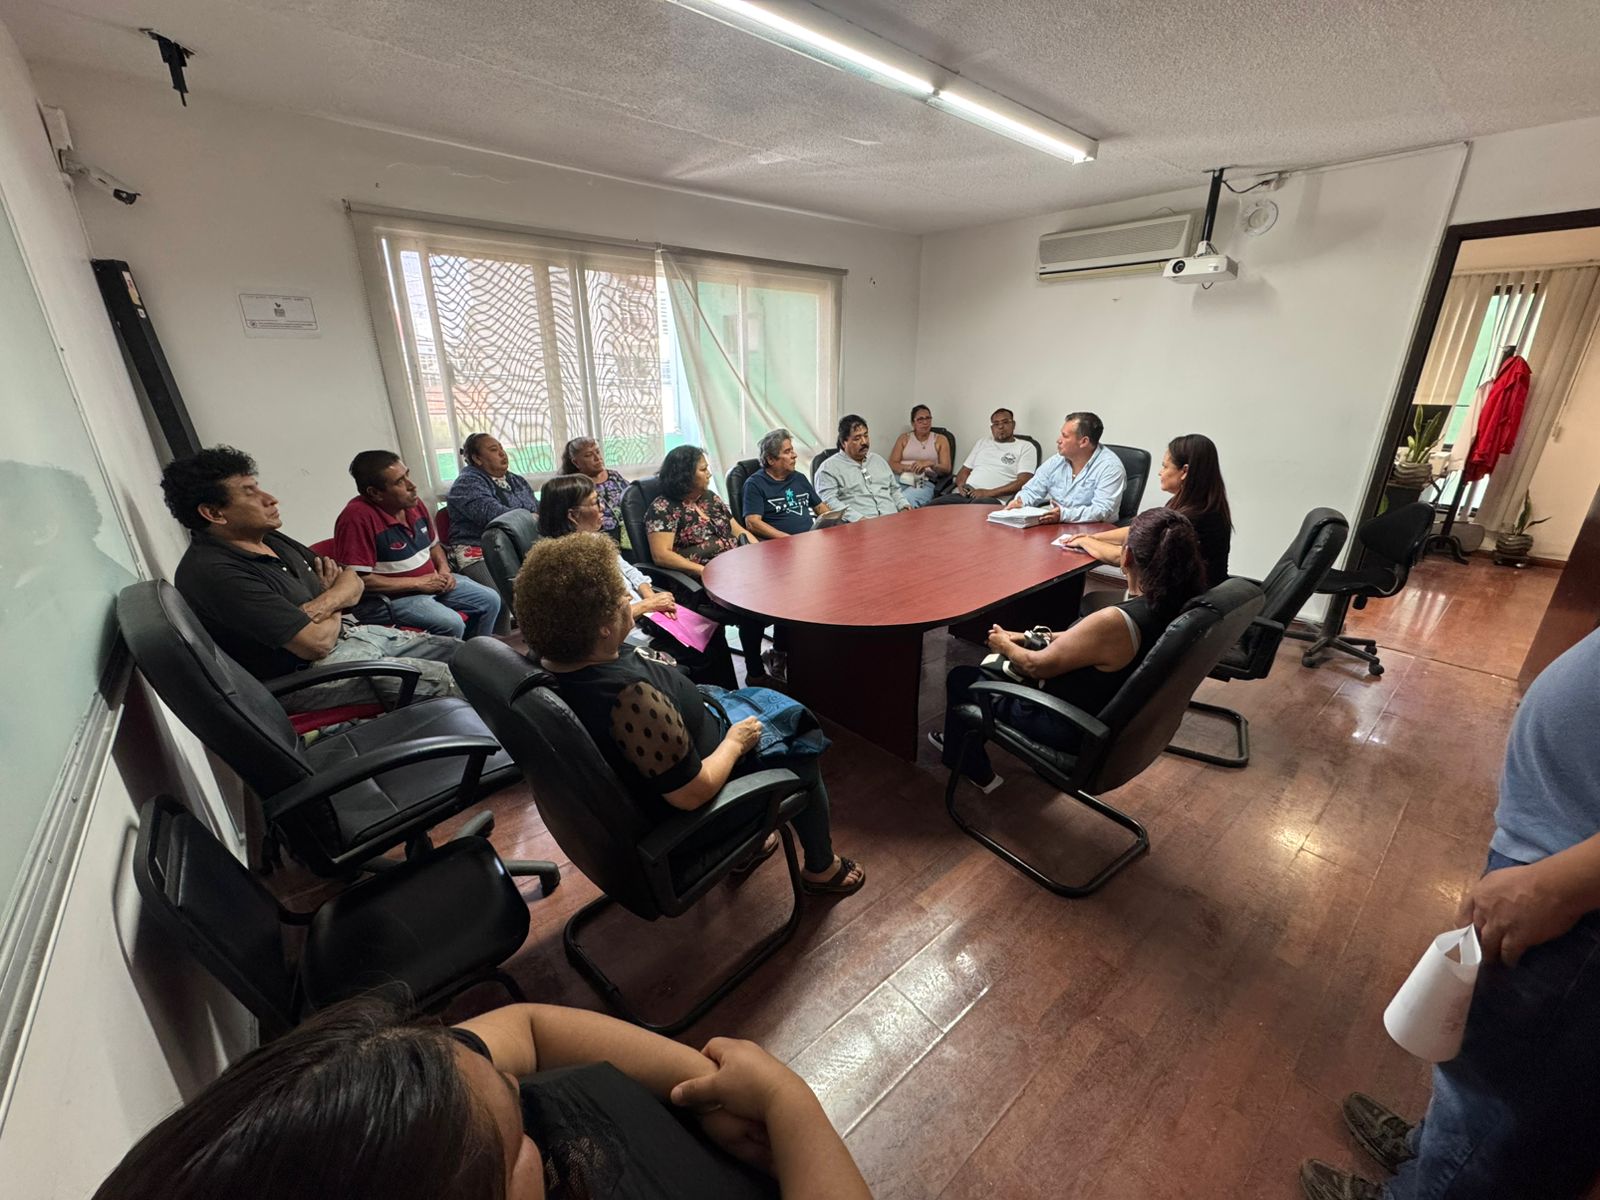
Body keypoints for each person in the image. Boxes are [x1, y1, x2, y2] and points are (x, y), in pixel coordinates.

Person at [1299, 627, 1600, 1200]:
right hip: (1559, 861)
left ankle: (1439, 1181)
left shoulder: (1563, 895)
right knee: (1488, 1051)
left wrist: (1559, 888)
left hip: (1575, 902)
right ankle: (1439, 1153)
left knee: (1509, 1093)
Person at [90, 992, 873, 1200]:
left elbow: (528, 1027)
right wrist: (787, 1101)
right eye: (517, 1138)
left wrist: (703, 1089)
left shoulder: (406, 1105)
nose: (520, 1094)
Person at [516, 532, 865, 895]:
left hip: (689, 735)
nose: (628, 600)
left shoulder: (558, 654)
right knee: (803, 747)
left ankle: (747, 849)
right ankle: (821, 869)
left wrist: (641, 613)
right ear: (602, 627)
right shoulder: (630, 701)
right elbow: (691, 794)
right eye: (622, 598)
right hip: (701, 803)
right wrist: (735, 743)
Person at [161, 446, 462, 711]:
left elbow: (352, 580)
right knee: (460, 681)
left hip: (352, 637)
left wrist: (323, 603)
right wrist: (335, 597)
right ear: (214, 513)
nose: (271, 499)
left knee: (466, 655)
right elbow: (315, 644)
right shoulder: (215, 573)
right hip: (313, 674)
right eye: (250, 493)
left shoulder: (268, 538)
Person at [930, 508, 1206, 792]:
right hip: (1107, 716)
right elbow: (1084, 639)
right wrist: (1024, 636)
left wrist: (1004, 645)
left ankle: (970, 765)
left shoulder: (1116, 621)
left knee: (963, 678)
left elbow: (1035, 665)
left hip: (1065, 722)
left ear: (1126, 557)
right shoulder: (1176, 605)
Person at [539, 473, 737, 688]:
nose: (603, 507)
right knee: (702, 652)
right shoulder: (570, 564)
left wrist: (651, 596)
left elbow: (632, 572)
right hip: (625, 638)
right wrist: (648, 605)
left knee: (711, 632)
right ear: (573, 515)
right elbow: (599, 622)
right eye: (595, 502)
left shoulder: (594, 541)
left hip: (647, 615)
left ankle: (727, 698)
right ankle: (706, 698)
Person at [334, 450, 502, 639]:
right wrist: (418, 583)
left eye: (407, 475)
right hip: (388, 600)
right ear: (375, 493)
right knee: (451, 623)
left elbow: (434, 546)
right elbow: (357, 581)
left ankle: (475, 652)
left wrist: (444, 570)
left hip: (430, 583)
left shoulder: (413, 504)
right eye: (399, 482)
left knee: (491, 600)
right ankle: (450, 658)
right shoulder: (356, 519)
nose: (412, 486)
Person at [645, 444, 772, 681]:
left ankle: (778, 656)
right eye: (703, 470)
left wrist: (760, 553)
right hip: (697, 583)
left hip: (735, 572)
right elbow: (661, 555)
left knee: (780, 589)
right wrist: (705, 570)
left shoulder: (710, 498)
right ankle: (755, 673)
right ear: (684, 475)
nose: (709, 473)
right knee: (753, 608)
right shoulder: (663, 508)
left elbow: (738, 530)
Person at [1063, 433, 1232, 587]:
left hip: (1185, 603)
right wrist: (1093, 537)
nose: (1160, 472)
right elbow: (1137, 531)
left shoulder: (1188, 519)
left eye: (1165, 466)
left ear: (1184, 471)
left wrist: (1085, 542)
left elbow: (1128, 557)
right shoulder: (1202, 505)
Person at [1004, 411, 1126, 525]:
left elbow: (1101, 511)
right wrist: (1020, 501)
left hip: (1094, 530)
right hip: (1056, 525)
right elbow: (1032, 490)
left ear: (1083, 442)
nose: (1058, 440)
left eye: (1065, 436)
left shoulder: (1110, 467)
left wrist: (1063, 515)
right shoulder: (1057, 460)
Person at [444, 432, 539, 568]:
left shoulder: (516, 480)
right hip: (479, 550)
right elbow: (494, 515)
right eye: (494, 450)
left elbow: (537, 507)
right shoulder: (466, 483)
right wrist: (531, 517)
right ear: (477, 458)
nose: (502, 453)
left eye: (502, 448)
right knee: (508, 582)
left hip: (518, 546)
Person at [930, 408, 1039, 505]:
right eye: (996, 424)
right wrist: (962, 486)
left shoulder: (1026, 447)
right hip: (965, 496)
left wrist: (987, 493)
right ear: (992, 428)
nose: (1000, 426)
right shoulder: (982, 442)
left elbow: (1023, 482)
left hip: (993, 499)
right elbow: (964, 471)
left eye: (1005, 422)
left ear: (1013, 424)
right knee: (931, 507)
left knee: (972, 512)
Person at [741, 428, 834, 539]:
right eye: (787, 452)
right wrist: (787, 538)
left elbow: (820, 508)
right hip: (781, 544)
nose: (794, 455)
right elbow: (752, 523)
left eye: (792, 450)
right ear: (770, 459)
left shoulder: (799, 478)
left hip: (811, 539)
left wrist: (835, 522)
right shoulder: (755, 484)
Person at [814, 414, 909, 522]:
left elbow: (894, 489)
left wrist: (903, 505)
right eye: (857, 438)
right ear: (843, 442)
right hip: (858, 525)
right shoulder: (828, 469)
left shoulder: (878, 460)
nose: (864, 442)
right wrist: (858, 519)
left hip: (893, 521)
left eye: (866, 435)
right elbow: (829, 502)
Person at [561, 435, 630, 543]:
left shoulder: (614, 476)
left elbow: (631, 497)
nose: (597, 458)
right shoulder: (575, 486)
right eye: (588, 455)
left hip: (627, 532)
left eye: (597, 452)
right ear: (576, 462)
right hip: (597, 539)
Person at [886, 405, 952, 507]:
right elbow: (892, 463)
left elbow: (946, 468)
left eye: (928, 418)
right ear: (913, 423)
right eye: (920, 419)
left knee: (905, 500)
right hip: (902, 477)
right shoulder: (904, 438)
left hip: (924, 482)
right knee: (885, 496)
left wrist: (931, 465)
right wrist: (912, 467)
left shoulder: (940, 439)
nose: (925, 422)